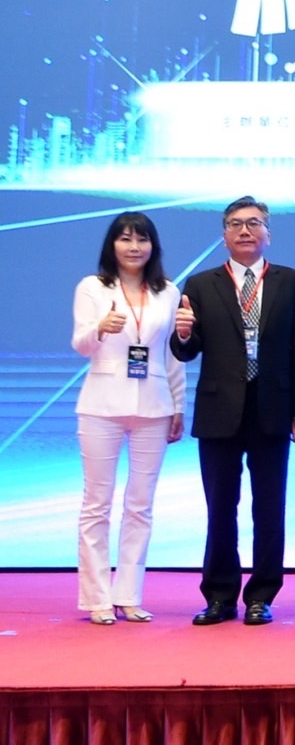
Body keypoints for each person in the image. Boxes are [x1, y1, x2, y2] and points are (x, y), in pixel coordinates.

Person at [172, 196, 295, 626]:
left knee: (269, 508)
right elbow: (186, 350)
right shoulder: (201, 284)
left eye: (254, 223)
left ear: (269, 233)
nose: (245, 231)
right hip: (220, 410)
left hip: (273, 407)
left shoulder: (292, 281)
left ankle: (262, 596)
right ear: (224, 235)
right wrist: (183, 335)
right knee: (220, 508)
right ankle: (219, 596)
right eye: (236, 224)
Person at [71, 212, 186, 624]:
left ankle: (129, 594)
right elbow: (80, 344)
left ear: (153, 246)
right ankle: (97, 598)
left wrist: (178, 404)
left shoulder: (168, 291)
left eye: (142, 239)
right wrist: (100, 328)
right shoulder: (92, 287)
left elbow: (172, 353)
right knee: (96, 504)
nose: (134, 247)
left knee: (140, 505)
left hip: (154, 405)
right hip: (101, 405)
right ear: (112, 245)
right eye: (125, 239)